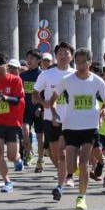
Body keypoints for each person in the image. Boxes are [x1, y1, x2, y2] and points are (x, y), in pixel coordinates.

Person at [51, 48, 105, 210]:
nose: (79, 65)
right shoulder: (67, 80)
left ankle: (81, 197)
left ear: (89, 63)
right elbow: (53, 100)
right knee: (71, 166)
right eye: (77, 62)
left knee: (84, 162)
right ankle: (71, 177)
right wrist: (55, 113)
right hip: (70, 126)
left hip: (90, 127)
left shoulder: (97, 81)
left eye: (83, 62)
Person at [33, 43, 75, 187]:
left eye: (66, 53)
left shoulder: (75, 75)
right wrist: (43, 103)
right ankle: (63, 172)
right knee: (54, 152)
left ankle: (67, 176)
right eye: (60, 53)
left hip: (71, 119)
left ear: (72, 56)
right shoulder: (46, 74)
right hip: (50, 117)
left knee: (65, 151)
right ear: (56, 56)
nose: (63, 56)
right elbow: (35, 94)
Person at [0, 53, 25, 193]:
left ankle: (17, 160)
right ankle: (7, 181)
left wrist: (5, 98)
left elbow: (19, 101)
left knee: (11, 155)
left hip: (13, 122)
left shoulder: (15, 80)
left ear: (6, 66)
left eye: (1, 67)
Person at [20, 49, 44, 172]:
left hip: (39, 109)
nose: (29, 61)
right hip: (26, 109)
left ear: (39, 61)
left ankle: (40, 159)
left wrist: (40, 107)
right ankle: (29, 151)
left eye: (32, 58)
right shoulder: (23, 76)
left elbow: (45, 94)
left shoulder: (42, 75)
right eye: (28, 58)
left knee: (40, 137)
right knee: (25, 132)